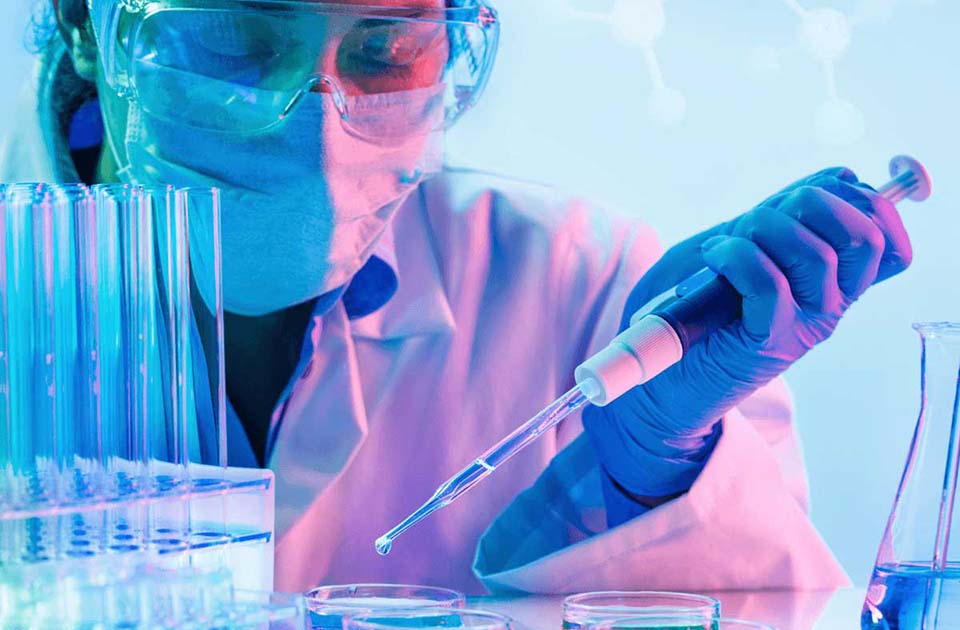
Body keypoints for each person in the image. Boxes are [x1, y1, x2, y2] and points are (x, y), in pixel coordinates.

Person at [0, 0, 910, 595]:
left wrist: (654, 462)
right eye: (235, 36)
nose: (314, 109)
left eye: (385, 48)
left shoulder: (582, 283)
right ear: (85, 23)